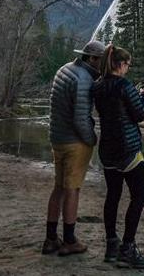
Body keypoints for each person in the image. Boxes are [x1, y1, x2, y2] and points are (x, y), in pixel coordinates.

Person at [41, 39, 106, 256]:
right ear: (93, 59)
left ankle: (51, 239)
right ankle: (69, 240)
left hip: (57, 138)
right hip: (74, 143)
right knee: (73, 190)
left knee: (58, 187)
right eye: (101, 61)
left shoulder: (64, 69)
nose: (103, 65)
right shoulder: (84, 80)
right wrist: (92, 139)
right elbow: (80, 119)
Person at [92, 44, 144, 269]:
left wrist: (133, 95)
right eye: (127, 64)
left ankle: (111, 246)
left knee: (113, 196)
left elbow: (114, 108)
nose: (128, 68)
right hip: (128, 150)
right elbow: (139, 115)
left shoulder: (97, 86)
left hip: (107, 151)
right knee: (139, 197)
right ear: (119, 64)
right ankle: (128, 248)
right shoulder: (124, 85)